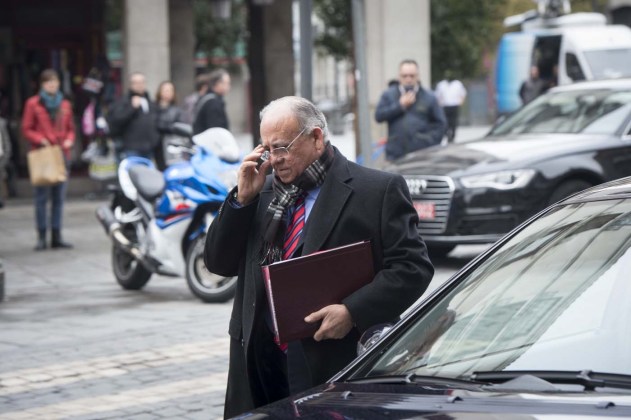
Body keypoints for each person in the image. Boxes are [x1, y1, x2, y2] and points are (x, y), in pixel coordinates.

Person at [204, 96, 434, 418]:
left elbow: (412, 268)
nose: (275, 159)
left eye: (282, 147)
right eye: (267, 148)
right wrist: (241, 200)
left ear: (316, 137)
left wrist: (352, 311)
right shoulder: (261, 190)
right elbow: (218, 263)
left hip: (331, 363)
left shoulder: (377, 190)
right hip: (259, 362)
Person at [21, 69, 75, 250]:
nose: (52, 85)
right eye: (48, 82)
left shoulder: (65, 104)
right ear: (42, 85)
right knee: (41, 198)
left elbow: (71, 129)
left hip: (61, 154)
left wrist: (69, 139)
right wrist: (40, 139)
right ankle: (42, 235)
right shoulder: (33, 104)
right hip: (43, 155)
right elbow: (26, 128)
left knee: (59, 198)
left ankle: (56, 235)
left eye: (54, 82)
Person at [375, 59, 446, 161]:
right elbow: (379, 116)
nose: (408, 79)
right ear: (399, 76)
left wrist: (428, 141)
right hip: (395, 155)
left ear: (418, 76)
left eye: (412, 76)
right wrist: (400, 106)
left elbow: (441, 124)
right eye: (405, 76)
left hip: (422, 155)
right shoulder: (389, 95)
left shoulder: (429, 97)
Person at [106, 72, 159, 161]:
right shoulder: (122, 102)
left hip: (149, 148)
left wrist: (155, 140)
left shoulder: (150, 102)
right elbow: (116, 120)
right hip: (130, 148)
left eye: (142, 82)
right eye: (136, 83)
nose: (139, 85)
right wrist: (132, 108)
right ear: (130, 85)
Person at [192, 68, 231, 134]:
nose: (229, 86)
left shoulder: (210, 99)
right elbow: (215, 131)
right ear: (218, 83)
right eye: (227, 83)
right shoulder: (212, 103)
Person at [154, 81, 182, 170]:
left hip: (170, 144)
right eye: (165, 90)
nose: (168, 93)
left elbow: (178, 126)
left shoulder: (176, 110)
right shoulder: (154, 108)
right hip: (156, 145)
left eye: (170, 90)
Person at [435, 72, 467, 144]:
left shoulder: (457, 84)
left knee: (454, 122)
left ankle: (452, 136)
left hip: (454, 106)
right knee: (445, 121)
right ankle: (447, 134)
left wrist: (461, 102)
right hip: (445, 106)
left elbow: (463, 93)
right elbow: (437, 96)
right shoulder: (441, 84)